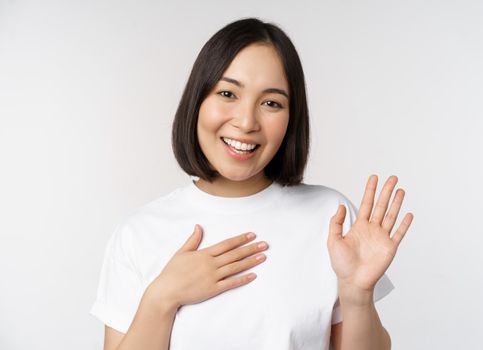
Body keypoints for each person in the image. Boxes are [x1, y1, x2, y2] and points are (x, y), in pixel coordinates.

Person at [89, 17, 414, 350]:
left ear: (292, 118)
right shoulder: (139, 233)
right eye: (228, 93)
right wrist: (162, 298)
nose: (246, 122)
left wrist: (357, 296)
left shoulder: (331, 219)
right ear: (197, 101)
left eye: (271, 103)